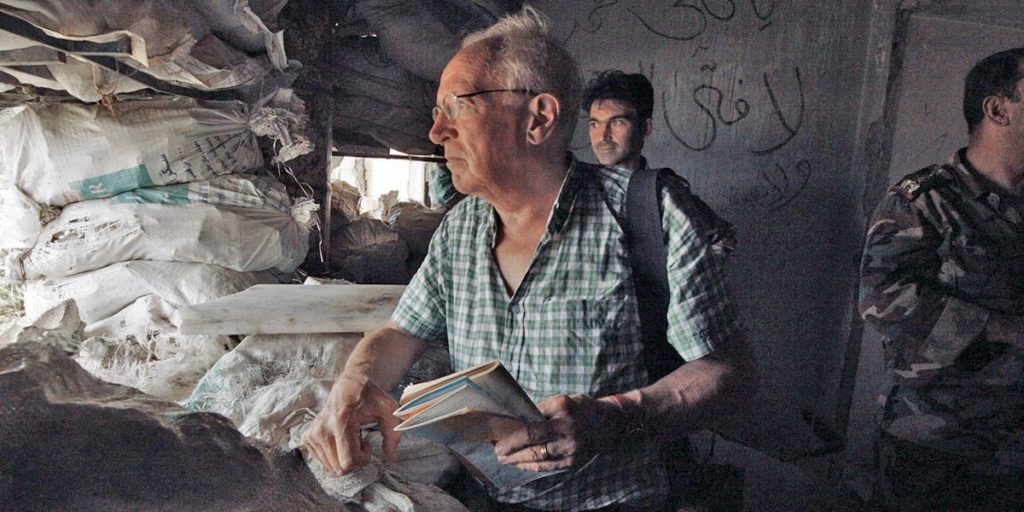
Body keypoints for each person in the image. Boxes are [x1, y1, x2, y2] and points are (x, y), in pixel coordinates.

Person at [303, 6, 754, 511]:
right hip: (484, 498)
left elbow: (729, 374)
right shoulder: (461, 228)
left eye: (455, 108)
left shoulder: (650, 213)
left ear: (538, 118)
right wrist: (354, 385)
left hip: (611, 501)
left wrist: (620, 416)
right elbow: (401, 333)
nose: (436, 133)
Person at [859, 47, 1024, 512]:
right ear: (998, 110)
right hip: (937, 441)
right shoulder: (926, 201)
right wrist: (1002, 328)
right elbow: (880, 299)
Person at [583, 70, 654, 171]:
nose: (603, 136)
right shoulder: (573, 180)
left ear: (645, 128)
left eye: (616, 123)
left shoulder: (665, 181)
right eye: (595, 125)